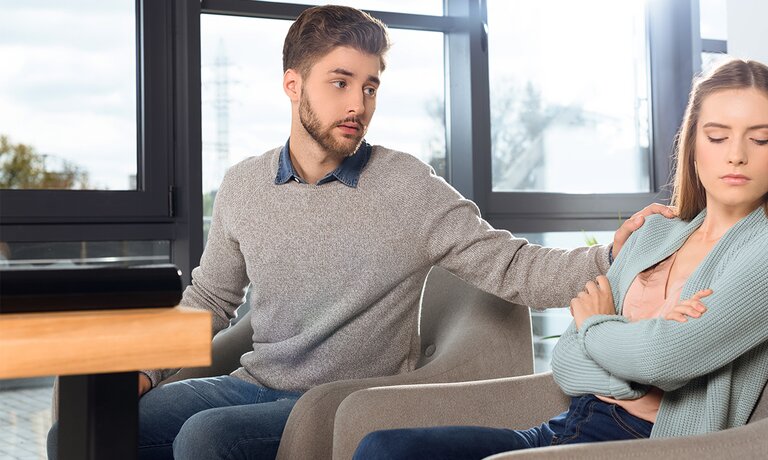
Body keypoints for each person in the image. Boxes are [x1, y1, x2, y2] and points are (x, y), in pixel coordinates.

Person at [46, 5, 671, 460]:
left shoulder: (407, 186)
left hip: (346, 398)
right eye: (340, 82)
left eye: (370, 86)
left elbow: (513, 266)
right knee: (84, 429)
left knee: (205, 439)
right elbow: (210, 298)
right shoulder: (243, 186)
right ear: (293, 85)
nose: (358, 104)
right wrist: (143, 370)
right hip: (254, 385)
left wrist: (615, 253)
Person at [353, 58, 768, 459]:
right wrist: (642, 357)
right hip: (565, 428)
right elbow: (568, 362)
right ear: (693, 148)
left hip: (643, 445)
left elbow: (666, 360)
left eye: (760, 138)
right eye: (718, 136)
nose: (737, 155)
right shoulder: (655, 233)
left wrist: (599, 326)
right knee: (383, 449)